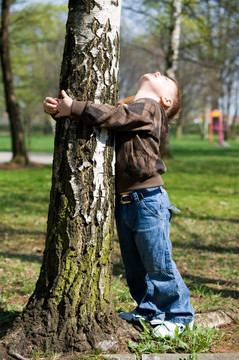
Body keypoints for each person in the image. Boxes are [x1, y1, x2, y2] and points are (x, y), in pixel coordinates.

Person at [43, 72, 194, 338]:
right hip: (125, 202)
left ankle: (180, 315)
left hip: (148, 199)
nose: (159, 72)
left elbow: (115, 116)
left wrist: (75, 108)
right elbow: (106, 118)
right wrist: (60, 112)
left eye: (167, 78)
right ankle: (149, 310)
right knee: (135, 266)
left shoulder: (150, 108)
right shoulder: (132, 108)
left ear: (166, 99)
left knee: (158, 263)